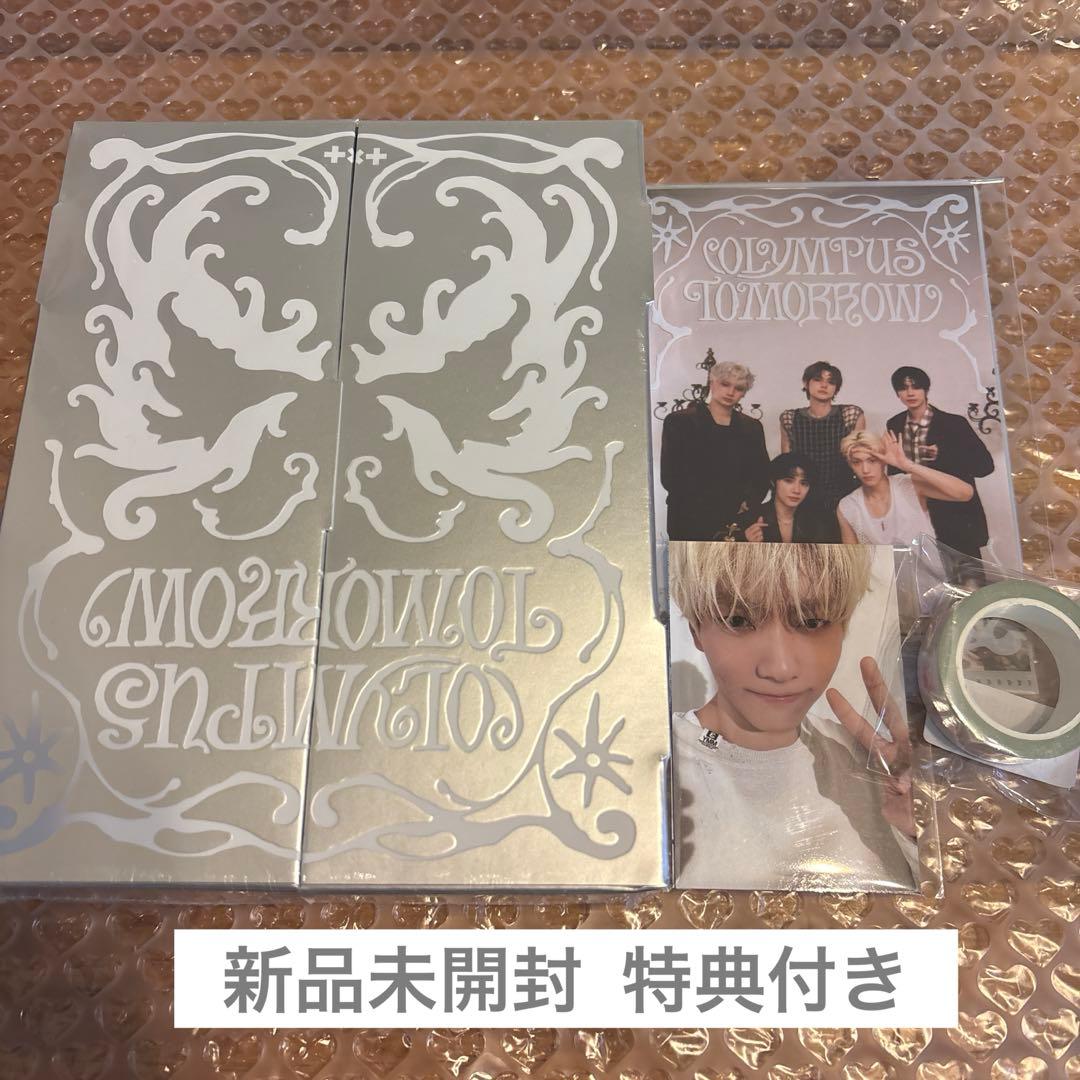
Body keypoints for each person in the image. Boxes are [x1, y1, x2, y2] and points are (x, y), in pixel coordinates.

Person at [669, 542, 917, 892]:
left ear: (842, 625)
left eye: (811, 621)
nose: (780, 668)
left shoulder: (882, 769)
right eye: (738, 620)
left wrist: (930, 828)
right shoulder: (648, 768)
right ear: (696, 628)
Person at [886, 366, 995, 559]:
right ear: (897, 393)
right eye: (903, 388)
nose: (910, 393)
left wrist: (944, 453)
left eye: (916, 387)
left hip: (954, 510)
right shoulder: (894, 423)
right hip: (914, 511)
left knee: (966, 574)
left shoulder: (954, 423)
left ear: (926, 390)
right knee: (920, 572)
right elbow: (895, 470)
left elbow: (985, 466)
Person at [660, 358, 770, 541]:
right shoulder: (680, 421)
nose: (730, 392)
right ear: (711, 383)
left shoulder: (752, 427)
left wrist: (748, 502)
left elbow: (761, 474)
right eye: (725, 384)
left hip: (736, 516)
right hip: (688, 515)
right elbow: (671, 475)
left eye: (738, 388)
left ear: (744, 393)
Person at [837, 430, 975, 547]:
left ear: (883, 460)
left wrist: (908, 465)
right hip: (881, 572)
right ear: (850, 465)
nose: (865, 470)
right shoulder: (848, 506)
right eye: (857, 462)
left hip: (927, 571)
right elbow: (853, 561)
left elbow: (965, 493)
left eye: (872, 460)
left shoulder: (908, 484)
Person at [779, 361, 865, 513]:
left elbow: (859, 459)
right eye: (818, 379)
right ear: (806, 383)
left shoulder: (850, 414)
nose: (824, 385)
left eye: (831, 382)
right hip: (803, 496)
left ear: (836, 388)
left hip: (844, 493)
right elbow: (786, 465)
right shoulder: (789, 418)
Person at [735, 452, 840, 543]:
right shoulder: (749, 520)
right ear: (773, 482)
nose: (796, 490)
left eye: (804, 483)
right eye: (789, 481)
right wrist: (746, 544)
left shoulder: (822, 522)